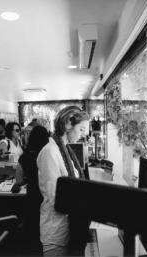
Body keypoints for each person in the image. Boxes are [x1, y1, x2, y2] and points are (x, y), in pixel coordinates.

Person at [37, 106, 89, 257]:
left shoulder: (65, 150)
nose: (83, 134)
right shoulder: (50, 152)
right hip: (56, 231)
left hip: (66, 226)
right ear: (67, 124)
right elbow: (57, 198)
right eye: (81, 129)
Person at [16, 126, 50, 254]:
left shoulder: (24, 157)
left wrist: (27, 179)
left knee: (32, 228)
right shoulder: (48, 154)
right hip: (46, 196)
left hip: (32, 197)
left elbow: (19, 180)